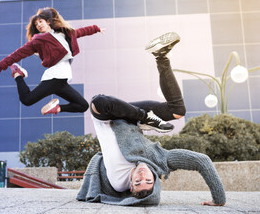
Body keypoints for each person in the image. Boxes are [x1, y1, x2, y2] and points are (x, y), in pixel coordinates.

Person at [77, 32, 226, 206]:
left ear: (130, 186)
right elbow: (202, 161)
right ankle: (161, 55)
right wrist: (219, 200)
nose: (142, 176)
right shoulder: (163, 160)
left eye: (137, 182)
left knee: (98, 102)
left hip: (108, 116)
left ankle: (146, 117)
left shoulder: (118, 182)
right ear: (155, 181)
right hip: (132, 117)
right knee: (177, 111)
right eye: (148, 181)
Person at [0, 7, 104, 115]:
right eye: (36, 24)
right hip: (54, 78)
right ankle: (18, 74)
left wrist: (96, 29)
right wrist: (0, 66)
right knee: (27, 100)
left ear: (48, 22)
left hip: (62, 81)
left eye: (40, 21)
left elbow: (81, 32)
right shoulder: (38, 40)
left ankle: (57, 108)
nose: (38, 25)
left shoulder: (64, 33)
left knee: (82, 106)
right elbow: (18, 53)